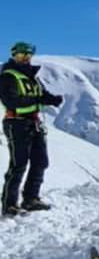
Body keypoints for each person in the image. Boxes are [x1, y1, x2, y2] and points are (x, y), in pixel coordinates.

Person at [2, 41, 63, 215]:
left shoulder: (31, 77)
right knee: (18, 164)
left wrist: (52, 99)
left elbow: (40, 94)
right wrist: (37, 102)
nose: (25, 58)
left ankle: (31, 199)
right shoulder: (8, 76)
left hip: (33, 123)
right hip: (16, 123)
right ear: (14, 55)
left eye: (28, 55)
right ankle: (9, 204)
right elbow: (11, 101)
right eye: (21, 55)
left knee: (40, 161)